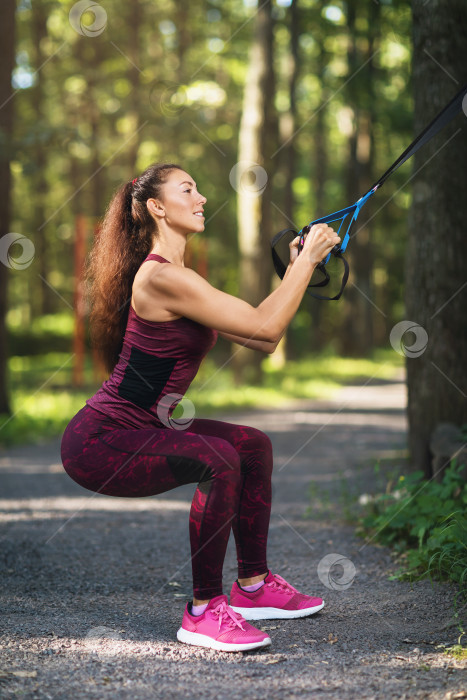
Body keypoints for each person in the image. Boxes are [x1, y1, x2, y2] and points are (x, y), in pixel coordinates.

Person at [60, 162, 341, 653]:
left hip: (144, 426)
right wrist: (305, 261)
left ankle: (252, 587)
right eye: (188, 189)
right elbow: (266, 327)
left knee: (251, 445)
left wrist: (304, 265)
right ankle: (202, 610)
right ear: (157, 207)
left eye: (199, 188)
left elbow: (261, 339)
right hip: (99, 441)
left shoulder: (183, 279)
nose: (202, 197)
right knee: (219, 458)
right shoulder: (161, 278)